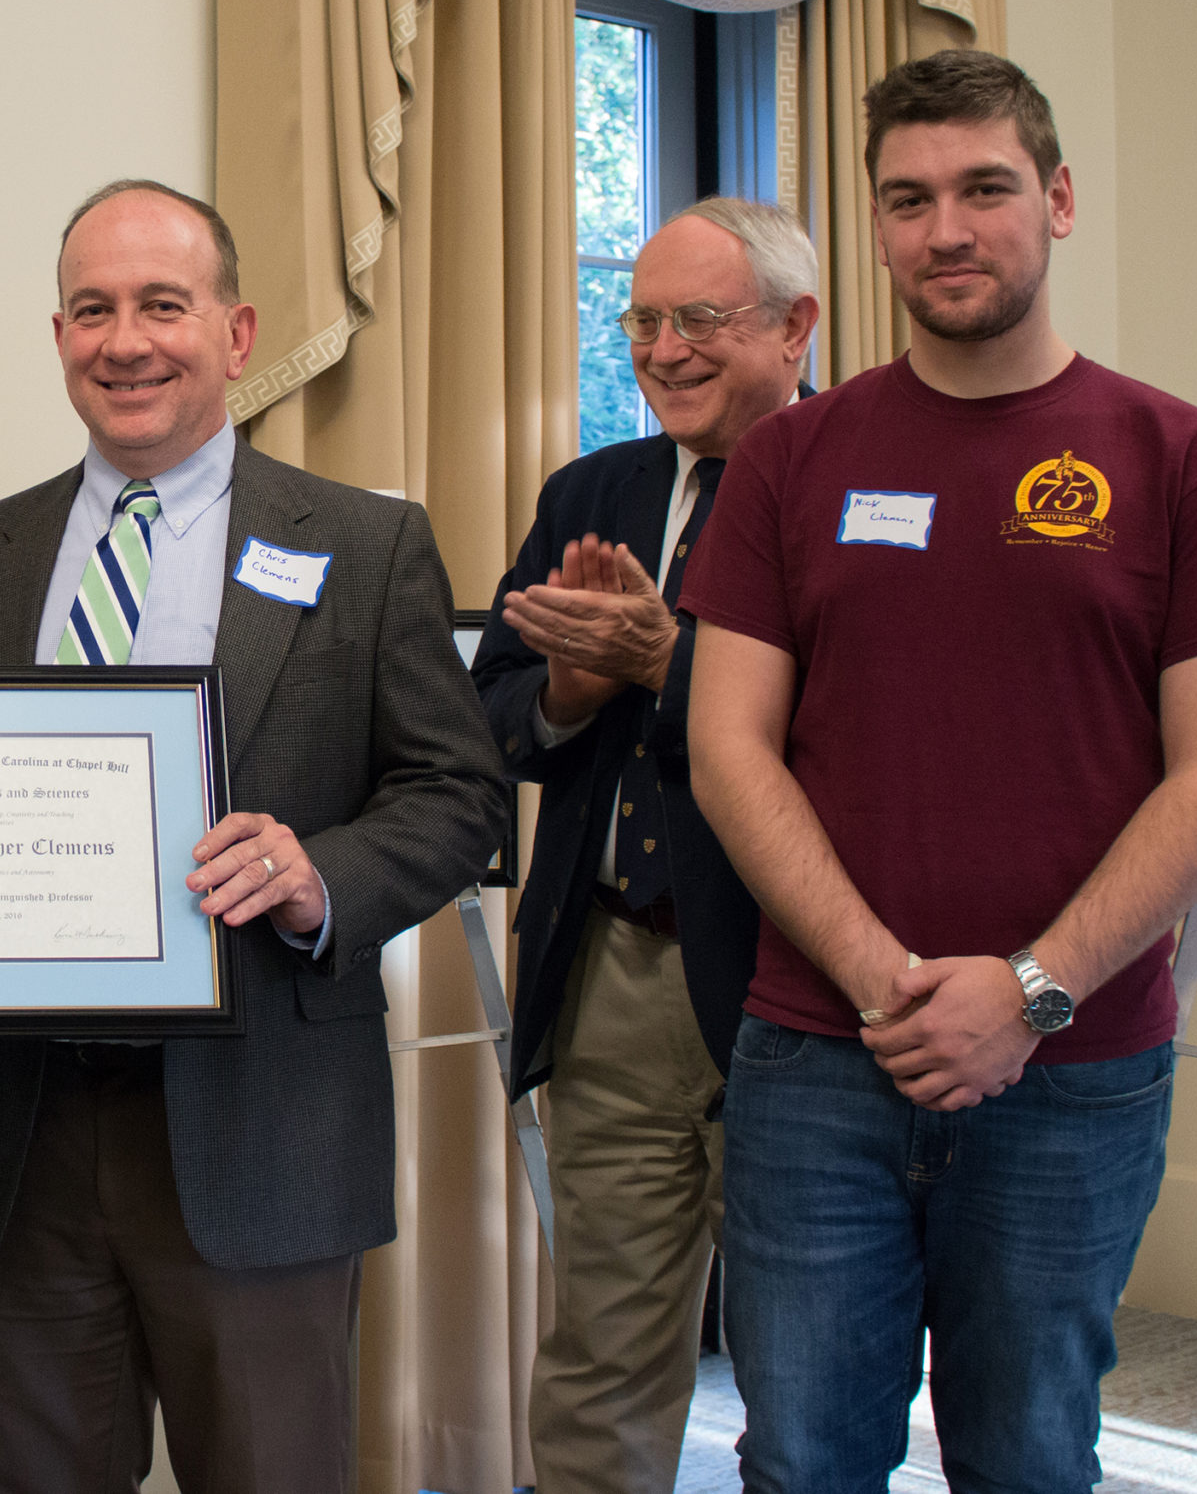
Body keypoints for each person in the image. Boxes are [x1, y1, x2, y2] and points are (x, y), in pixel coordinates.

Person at [0, 180, 506, 1494]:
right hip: (23, 1130)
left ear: (239, 331)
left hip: (262, 1124)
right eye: (93, 310)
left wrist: (323, 879)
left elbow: (458, 794)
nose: (126, 340)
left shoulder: (364, 547)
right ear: (58, 336)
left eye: (163, 304)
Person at [685, 50, 1197, 1488]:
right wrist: (890, 980)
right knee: (803, 1458)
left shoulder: (1183, 459)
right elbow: (727, 745)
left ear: (1058, 200)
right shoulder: (791, 463)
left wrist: (1029, 990)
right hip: (821, 1058)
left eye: (985, 189)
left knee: (1028, 1455)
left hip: (1076, 1070)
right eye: (909, 199)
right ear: (876, 228)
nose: (946, 229)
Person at [473, 198, 815, 1493]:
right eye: (645, 320)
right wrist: (572, 686)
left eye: (701, 322)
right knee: (602, 1355)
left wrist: (667, 669)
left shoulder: (858, 489)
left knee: (804, 1367)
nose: (664, 351)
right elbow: (500, 716)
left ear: (796, 329)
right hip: (612, 970)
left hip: (796, 983)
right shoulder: (593, 491)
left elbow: (862, 741)